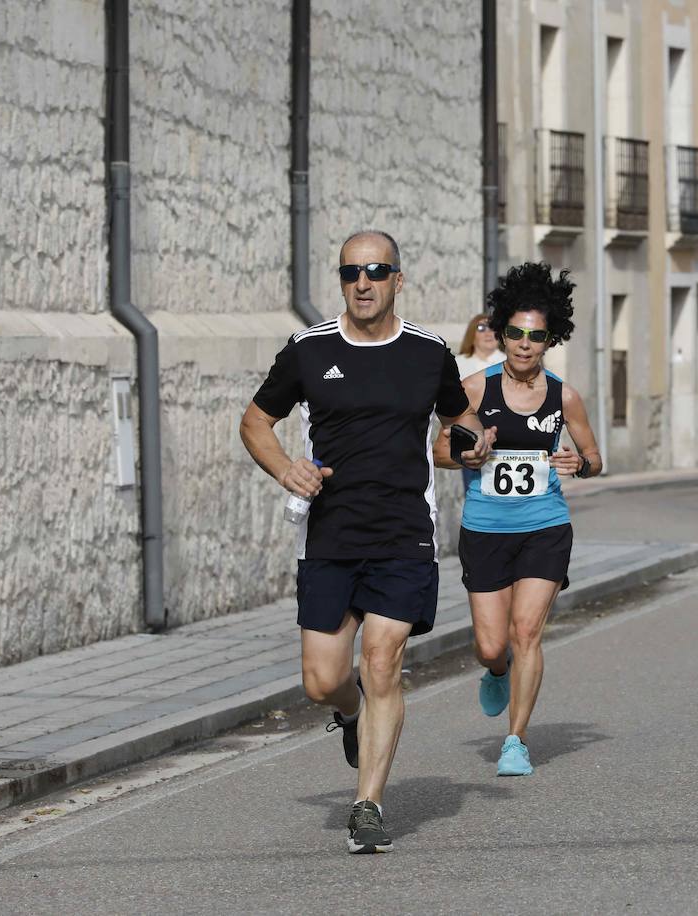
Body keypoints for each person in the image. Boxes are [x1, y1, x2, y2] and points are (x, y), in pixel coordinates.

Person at [240, 229, 491, 854]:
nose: (363, 282)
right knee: (322, 679)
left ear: (397, 279)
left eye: (376, 271)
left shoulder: (428, 352)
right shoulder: (308, 349)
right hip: (329, 535)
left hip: (403, 534)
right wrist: (283, 468)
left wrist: (472, 445)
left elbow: (459, 420)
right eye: (352, 272)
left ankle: (368, 803)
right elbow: (255, 422)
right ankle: (349, 714)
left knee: (383, 659)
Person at [436, 262, 602, 777]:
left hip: (544, 526)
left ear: (550, 338)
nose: (524, 344)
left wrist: (581, 464)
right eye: (515, 333)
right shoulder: (474, 389)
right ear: (503, 332)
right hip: (485, 527)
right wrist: (468, 456)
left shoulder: (563, 396)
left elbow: (595, 457)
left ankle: (516, 739)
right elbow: (440, 449)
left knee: (527, 630)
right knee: (492, 645)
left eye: (535, 336)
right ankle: (497, 670)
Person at [455, 313, 505, 378]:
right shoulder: (457, 363)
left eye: (492, 328)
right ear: (471, 335)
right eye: (481, 328)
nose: (488, 334)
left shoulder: (509, 362)